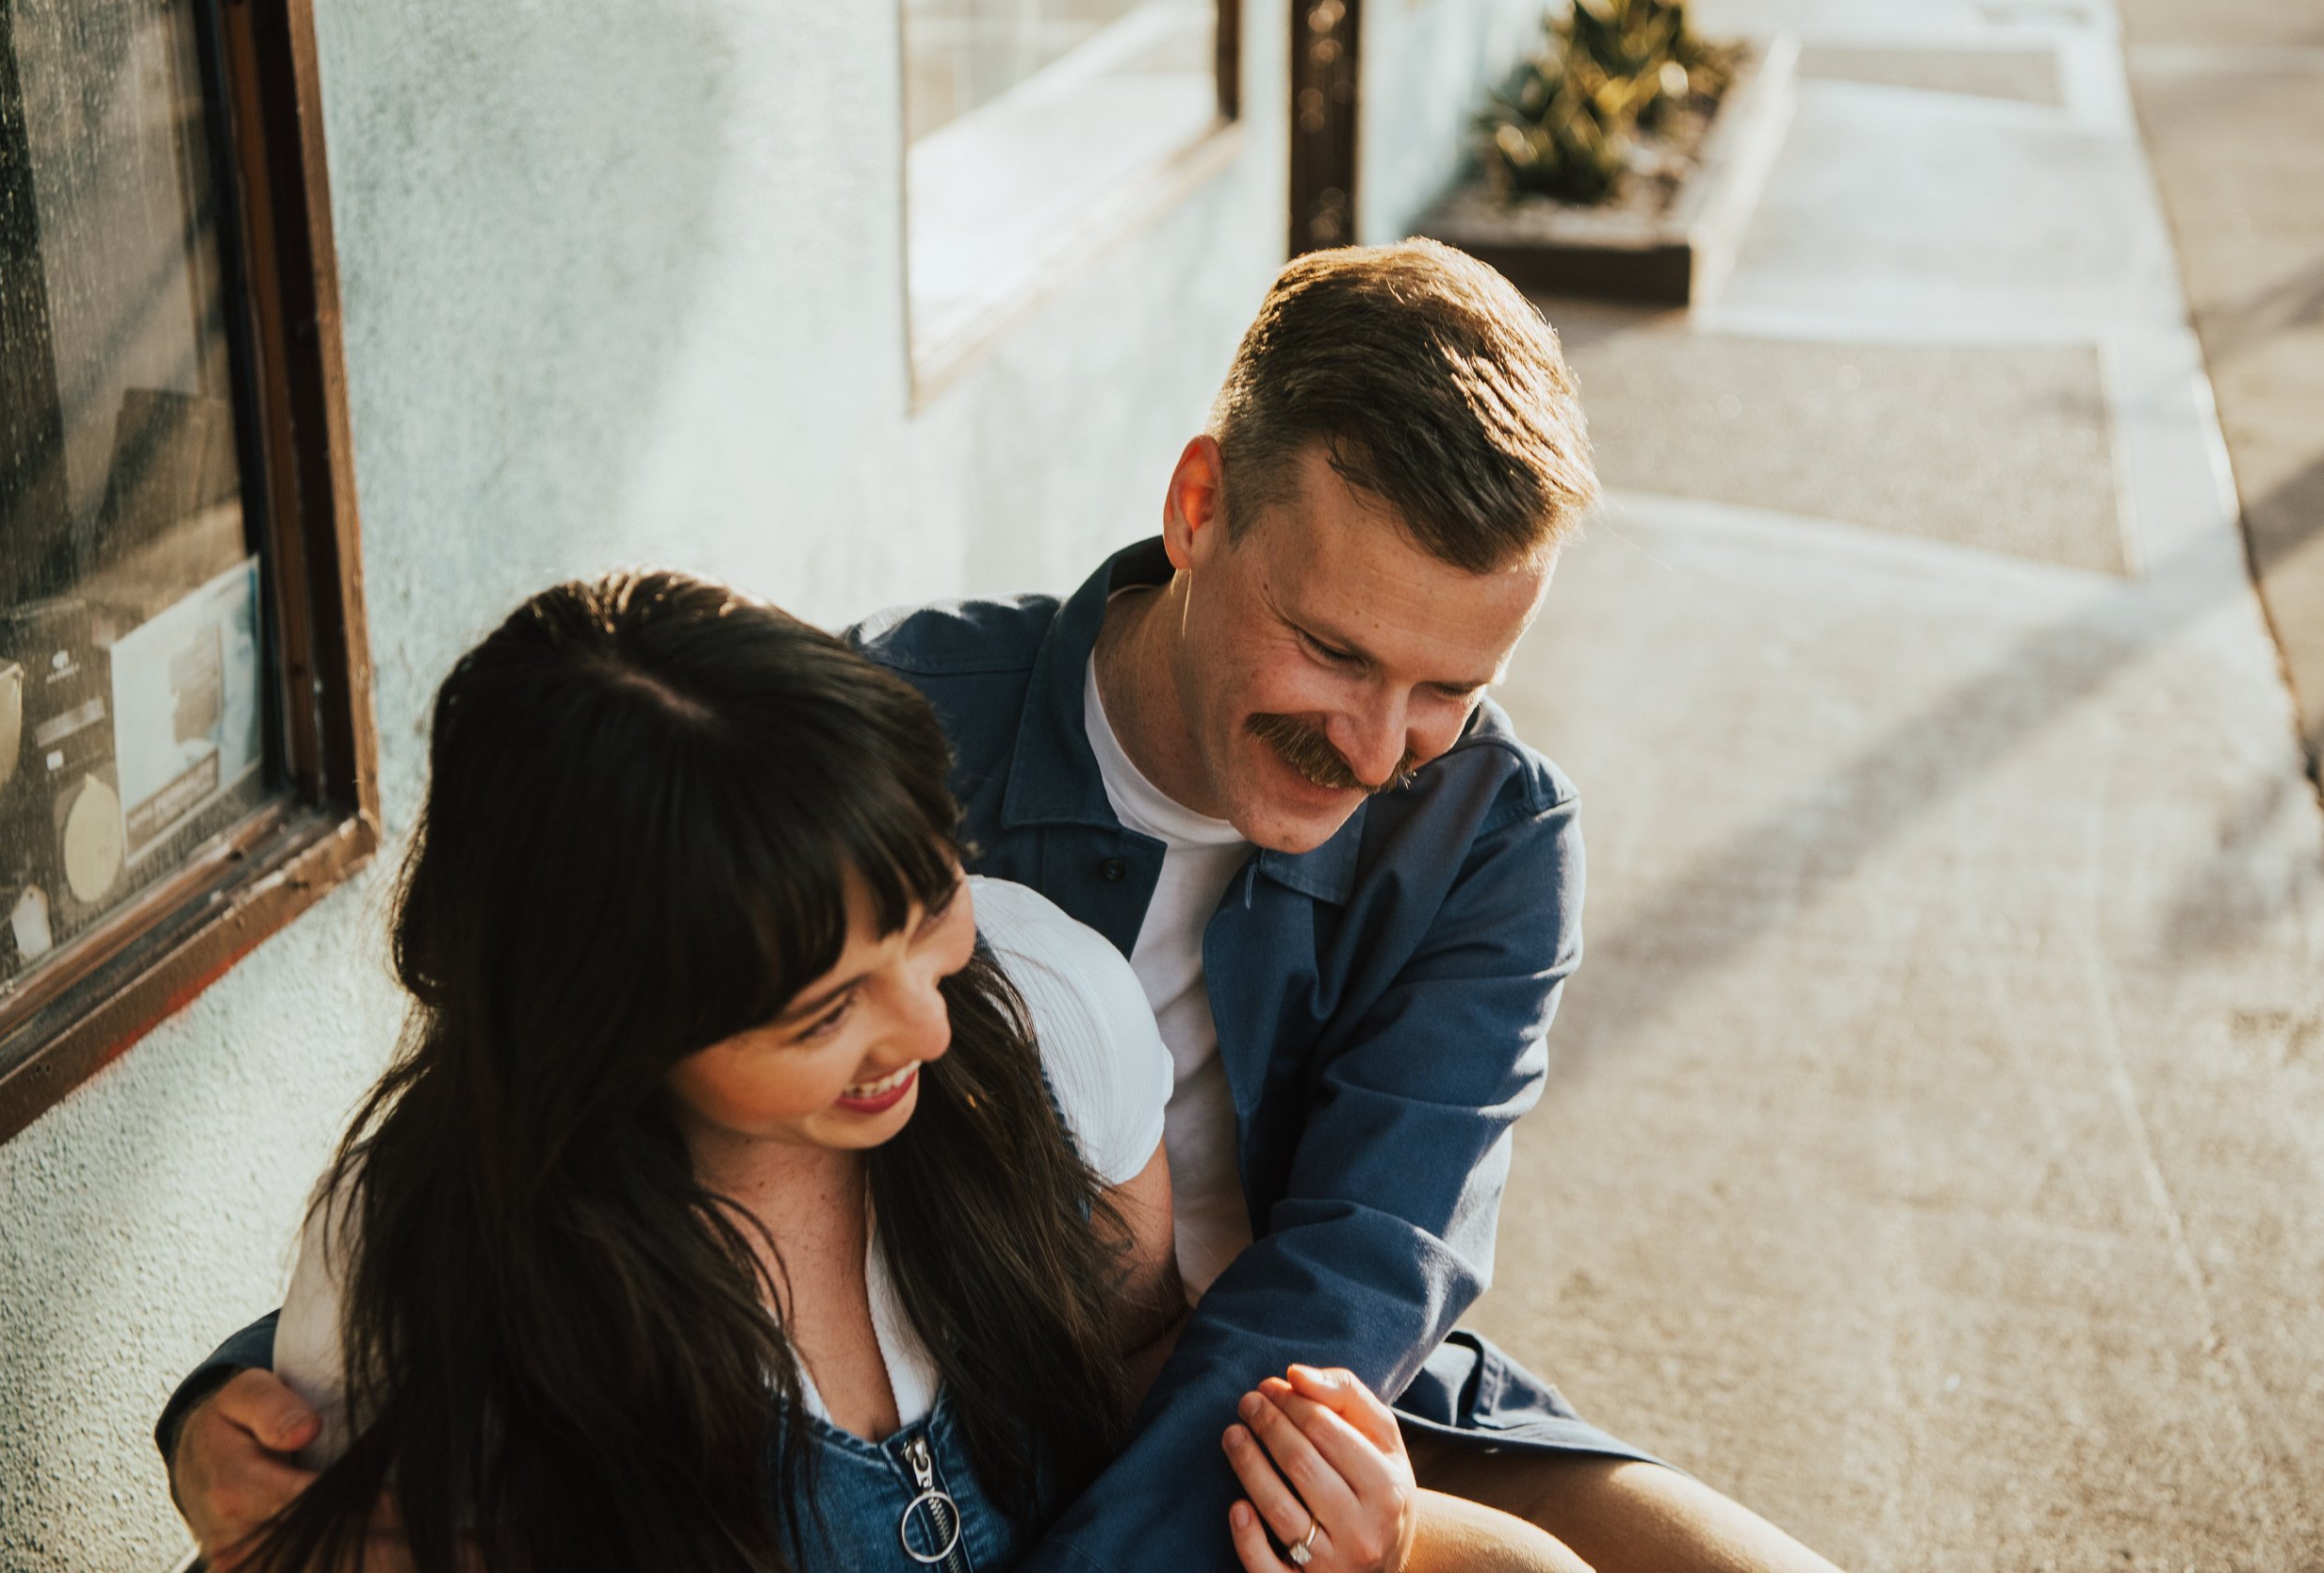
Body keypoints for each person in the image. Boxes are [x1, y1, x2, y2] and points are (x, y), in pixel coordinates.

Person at [163, 241, 1844, 1571]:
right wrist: (249, 1391)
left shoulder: (1494, 830)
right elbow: (581, 1040)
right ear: (1199, 508)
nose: (1375, 746)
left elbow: (1365, 1264)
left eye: (1448, 688)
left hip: (1305, 1392)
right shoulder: (893, 736)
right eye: (1334, 650)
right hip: (977, 1378)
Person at [208, 569, 1576, 1573]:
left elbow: (1142, 1378)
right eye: (822, 1014)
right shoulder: (425, 1267)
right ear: (607, 1026)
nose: (929, 1029)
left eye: (929, 916)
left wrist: (1352, 1532)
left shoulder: (1045, 1003)